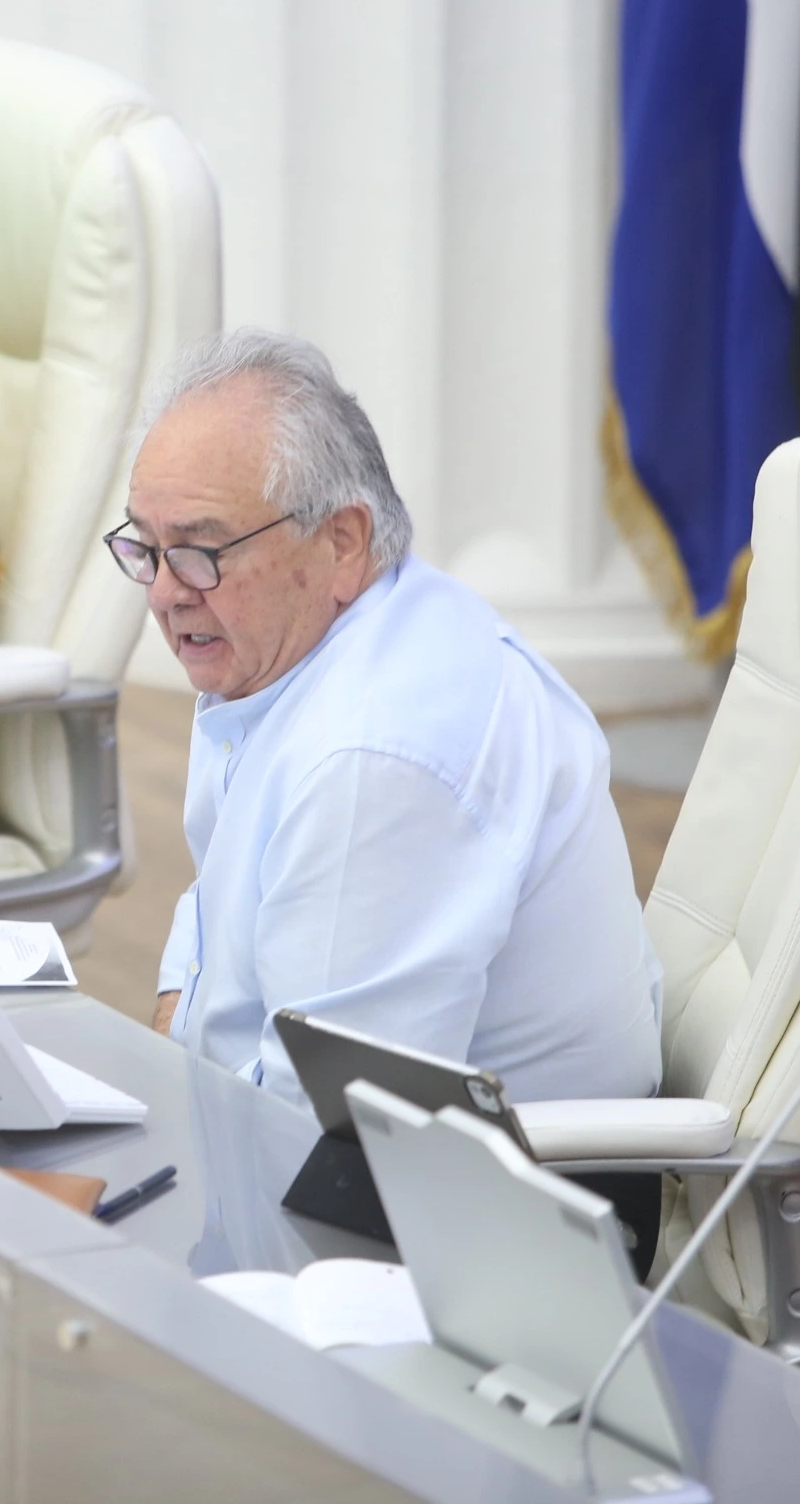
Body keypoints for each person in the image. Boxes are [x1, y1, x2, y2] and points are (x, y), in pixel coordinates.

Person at [129, 329, 662, 1108]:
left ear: (342, 541)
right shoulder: (308, 636)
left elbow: (317, 1131)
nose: (164, 592)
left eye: (201, 550)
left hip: (481, 1215)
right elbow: (215, 919)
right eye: (145, 548)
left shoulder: (373, 761)